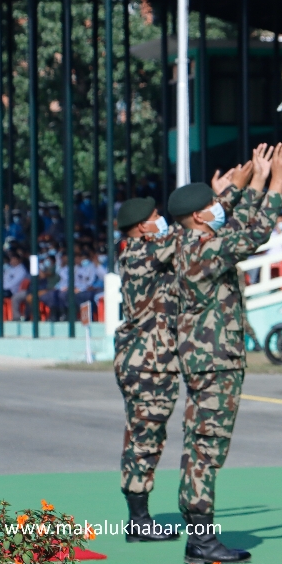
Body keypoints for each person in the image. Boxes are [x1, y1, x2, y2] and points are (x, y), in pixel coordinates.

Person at [172, 142, 282, 564]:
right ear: (197, 217)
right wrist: (275, 182)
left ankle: (198, 532)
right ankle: (202, 538)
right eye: (211, 204)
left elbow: (234, 224)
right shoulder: (203, 247)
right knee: (206, 449)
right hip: (214, 363)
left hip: (207, 360)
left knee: (200, 447)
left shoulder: (194, 240)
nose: (217, 207)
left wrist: (253, 181)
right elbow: (254, 234)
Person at [113, 196, 182, 543]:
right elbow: (186, 234)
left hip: (144, 358)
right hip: (148, 361)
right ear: (142, 226)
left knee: (141, 434)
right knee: (145, 437)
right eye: (156, 216)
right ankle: (139, 521)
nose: (162, 220)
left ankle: (138, 515)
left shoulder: (140, 252)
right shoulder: (142, 252)